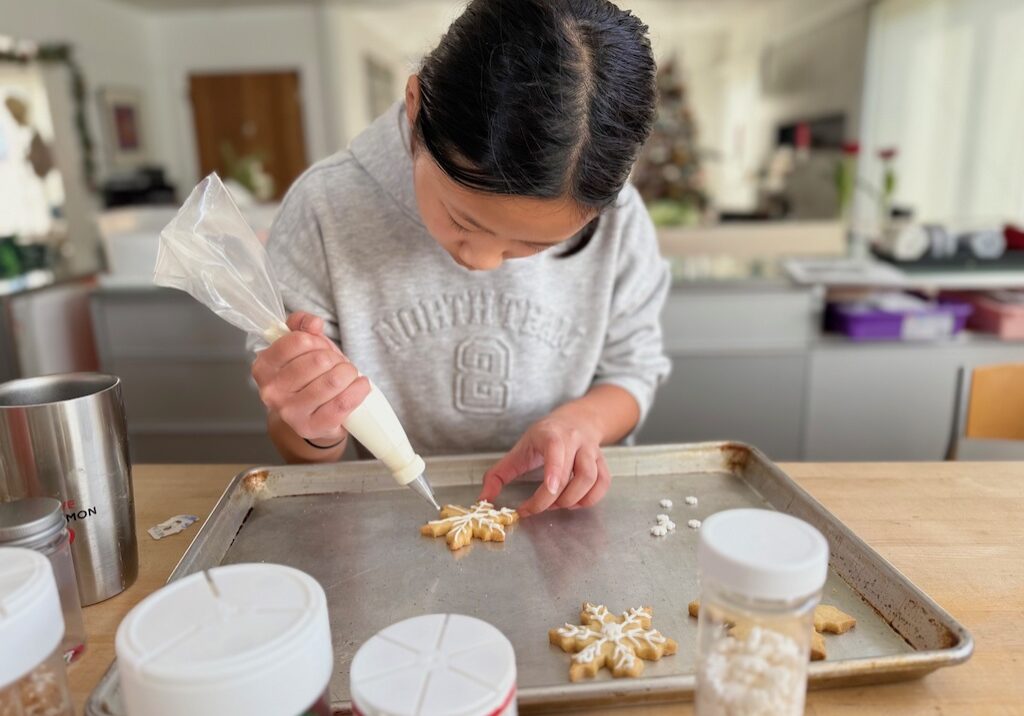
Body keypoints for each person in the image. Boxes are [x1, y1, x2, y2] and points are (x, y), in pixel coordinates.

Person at [251, 0, 670, 517]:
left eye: (534, 247)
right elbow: (300, 443)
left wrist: (582, 423)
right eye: (464, 222)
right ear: (414, 103)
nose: (485, 263)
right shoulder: (324, 209)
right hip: (389, 514)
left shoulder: (620, 218)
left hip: (560, 512)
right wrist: (313, 426)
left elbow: (633, 369)